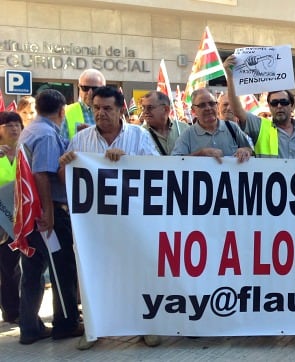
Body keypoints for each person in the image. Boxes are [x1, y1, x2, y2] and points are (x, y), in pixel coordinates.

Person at [58, 86, 159, 350]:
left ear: (120, 109)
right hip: (95, 226)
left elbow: (156, 173)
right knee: (94, 276)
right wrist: (65, 165)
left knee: (137, 273)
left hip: (133, 223)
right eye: (96, 108)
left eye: (107, 108)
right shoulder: (81, 140)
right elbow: (67, 181)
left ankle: (144, 325)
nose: (100, 114)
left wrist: (128, 161)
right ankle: (94, 329)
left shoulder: (138, 136)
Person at [17, 89, 83, 344]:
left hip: (31, 212)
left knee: (33, 269)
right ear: (62, 111)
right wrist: (49, 212)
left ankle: (30, 326)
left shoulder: (31, 129)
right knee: (62, 267)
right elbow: (42, 173)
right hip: (48, 211)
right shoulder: (45, 134)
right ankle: (66, 323)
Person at [222, 55, 295, 159]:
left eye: (283, 102)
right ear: (269, 106)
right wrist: (230, 76)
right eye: (274, 103)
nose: (279, 106)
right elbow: (237, 110)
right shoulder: (260, 127)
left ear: (291, 105)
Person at [171, 88, 253, 163]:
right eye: (202, 105)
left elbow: (250, 151)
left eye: (211, 103)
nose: (208, 108)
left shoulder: (232, 127)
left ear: (217, 106)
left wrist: (245, 150)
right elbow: (174, 162)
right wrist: (200, 153)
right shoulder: (187, 135)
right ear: (193, 111)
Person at [0, 112, 23, 325]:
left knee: (14, 267)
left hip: (20, 216)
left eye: (17, 125)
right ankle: (10, 309)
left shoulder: (25, 151)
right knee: (6, 267)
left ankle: (14, 310)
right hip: (1, 219)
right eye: (8, 125)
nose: (14, 129)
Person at [140, 91, 189, 155]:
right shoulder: (140, 134)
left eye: (150, 107)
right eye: (143, 108)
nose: (145, 112)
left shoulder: (184, 129)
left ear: (166, 109)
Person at [63, 69, 106, 140]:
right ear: (79, 87)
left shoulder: (112, 112)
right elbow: (62, 145)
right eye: (85, 88)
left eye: (95, 89)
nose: (90, 93)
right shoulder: (67, 112)